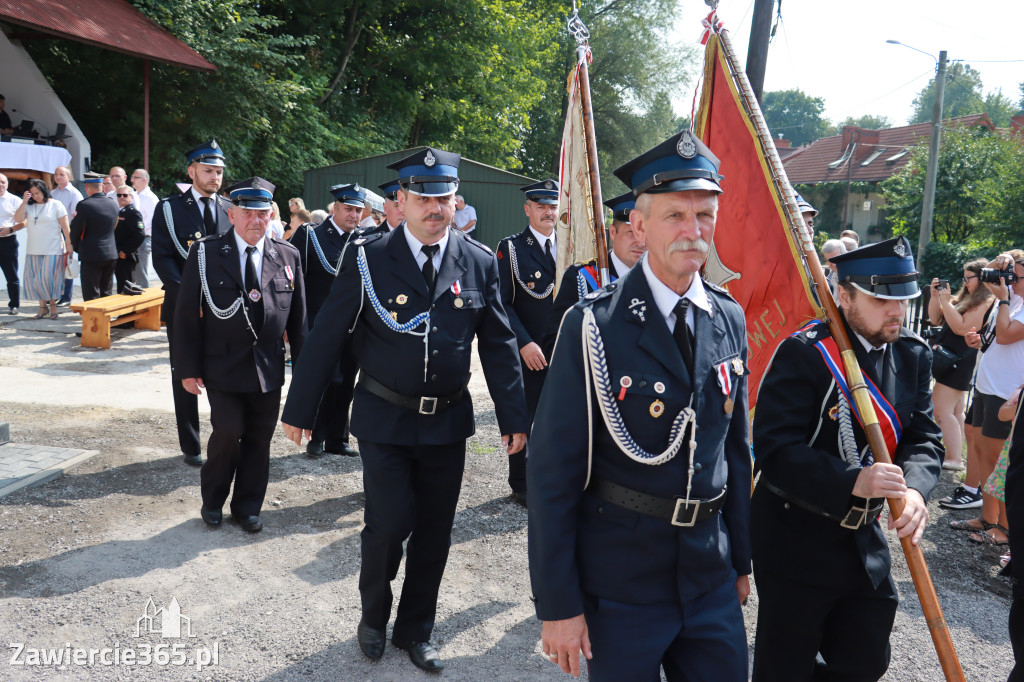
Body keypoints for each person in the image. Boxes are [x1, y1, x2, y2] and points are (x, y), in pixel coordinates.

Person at [280, 147, 528, 673]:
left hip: (447, 420)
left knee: (435, 531)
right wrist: (299, 409)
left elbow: (501, 347)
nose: (438, 208)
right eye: (426, 198)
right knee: (389, 523)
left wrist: (514, 420)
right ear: (402, 199)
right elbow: (325, 336)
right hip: (384, 417)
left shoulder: (478, 261)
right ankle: (374, 615)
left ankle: (416, 629)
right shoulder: (369, 257)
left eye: (445, 198)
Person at [530, 131, 753, 681]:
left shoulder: (729, 317)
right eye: (675, 214)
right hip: (621, 583)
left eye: (705, 214)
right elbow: (552, 474)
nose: (692, 230)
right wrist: (558, 604)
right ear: (639, 226)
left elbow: (737, 451)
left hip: (708, 574)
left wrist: (741, 559)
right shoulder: (592, 325)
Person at [750, 236, 942, 681]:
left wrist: (914, 489)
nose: (896, 311)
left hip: (862, 542)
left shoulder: (912, 353)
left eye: (903, 300)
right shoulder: (805, 352)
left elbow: (924, 438)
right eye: (880, 299)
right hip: (794, 535)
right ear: (843, 294)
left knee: (865, 658)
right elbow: (776, 451)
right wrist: (853, 481)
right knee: (786, 666)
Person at [173, 177, 307, 533]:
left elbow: (299, 322)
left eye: (263, 213)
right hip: (221, 364)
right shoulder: (206, 253)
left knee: (260, 439)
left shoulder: (288, 255)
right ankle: (213, 500)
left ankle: (247, 507)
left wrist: (306, 381)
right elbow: (185, 315)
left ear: (271, 216)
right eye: (247, 213)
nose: (256, 221)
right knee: (228, 431)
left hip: (268, 367)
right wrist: (187, 369)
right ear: (231, 215)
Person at [152, 139, 233, 467]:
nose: (215, 177)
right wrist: (189, 298)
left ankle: (223, 435)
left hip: (222, 307)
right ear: (191, 171)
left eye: (219, 171)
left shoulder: (230, 208)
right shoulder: (169, 209)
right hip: (184, 306)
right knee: (183, 370)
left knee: (222, 370)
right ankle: (191, 443)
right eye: (208, 170)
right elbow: (163, 258)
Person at [949, 250, 1024, 546]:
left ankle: (1004, 528)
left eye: (1015, 277)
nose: (1009, 281)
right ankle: (988, 517)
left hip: (1006, 393)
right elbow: (995, 337)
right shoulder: (1009, 301)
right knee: (980, 454)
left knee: (998, 462)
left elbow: (1006, 336)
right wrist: (1000, 260)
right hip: (986, 386)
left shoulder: (1013, 303)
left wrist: (1003, 298)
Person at [289, 183, 366, 457]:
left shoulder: (364, 241)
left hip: (354, 325)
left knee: (346, 379)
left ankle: (338, 438)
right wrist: (293, 324)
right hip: (318, 323)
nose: (354, 215)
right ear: (335, 209)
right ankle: (316, 437)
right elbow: (293, 281)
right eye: (349, 209)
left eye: (359, 210)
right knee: (324, 379)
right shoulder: (311, 237)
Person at [495, 178, 559, 505]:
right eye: (541, 206)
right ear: (527, 209)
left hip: (565, 349)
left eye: (552, 206)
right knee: (525, 415)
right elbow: (502, 302)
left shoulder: (573, 245)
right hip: (529, 351)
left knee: (562, 416)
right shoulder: (512, 248)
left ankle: (556, 476)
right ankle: (520, 481)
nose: (548, 212)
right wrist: (523, 342)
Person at [540, 191, 646, 358]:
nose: (640, 242)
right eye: (631, 232)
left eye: (645, 233)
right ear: (613, 232)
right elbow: (553, 342)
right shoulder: (582, 278)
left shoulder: (661, 280)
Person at [927, 259, 993, 471]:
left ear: (982, 278)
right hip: (953, 360)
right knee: (955, 411)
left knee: (941, 409)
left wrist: (946, 303)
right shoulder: (967, 299)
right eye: (964, 278)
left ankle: (954, 458)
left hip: (959, 361)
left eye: (969, 278)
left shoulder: (985, 301)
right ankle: (955, 455)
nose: (965, 283)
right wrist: (935, 297)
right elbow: (935, 319)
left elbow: (962, 328)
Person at [12, 178, 71, 319]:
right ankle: (42, 308)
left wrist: (69, 244)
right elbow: (18, 219)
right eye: (32, 193)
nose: (35, 196)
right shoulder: (29, 205)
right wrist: (25, 201)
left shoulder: (56, 204)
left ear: (44, 190)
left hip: (53, 248)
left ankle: (53, 306)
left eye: (37, 193)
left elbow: (65, 227)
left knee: (48, 279)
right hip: (33, 249)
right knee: (35, 280)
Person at [70, 172, 119, 301]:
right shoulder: (113, 203)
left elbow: (75, 230)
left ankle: (93, 321)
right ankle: (105, 320)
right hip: (110, 253)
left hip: (91, 254)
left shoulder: (84, 205)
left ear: (86, 187)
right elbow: (114, 226)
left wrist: (77, 247)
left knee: (91, 293)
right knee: (106, 292)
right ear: (102, 186)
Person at [51, 166, 83, 306]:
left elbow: (76, 217)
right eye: (56, 174)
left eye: (61, 174)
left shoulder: (74, 194)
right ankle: (55, 294)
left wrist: (71, 238)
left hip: (67, 233)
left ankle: (66, 297)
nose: (58, 177)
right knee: (54, 266)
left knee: (67, 265)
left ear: (68, 176)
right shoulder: (52, 193)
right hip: (53, 233)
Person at [113, 185, 146, 294]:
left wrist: (125, 251)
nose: (121, 197)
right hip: (117, 254)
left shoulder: (133, 213)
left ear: (131, 197)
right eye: (119, 195)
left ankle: (129, 312)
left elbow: (140, 235)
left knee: (126, 286)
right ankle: (122, 311)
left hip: (126, 256)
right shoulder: (118, 211)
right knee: (120, 286)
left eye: (125, 195)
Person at [130, 168, 159, 287]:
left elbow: (152, 222)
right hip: (135, 238)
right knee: (133, 274)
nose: (131, 180)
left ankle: (146, 303)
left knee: (141, 273)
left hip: (144, 238)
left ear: (144, 180)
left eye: (134, 177)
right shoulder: (135, 195)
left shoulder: (150, 198)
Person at [0, 173, 23, 314]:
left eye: (3, 182)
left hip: (8, 241)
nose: (1, 184)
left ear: (7, 184)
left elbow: (24, 221)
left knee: (11, 275)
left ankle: (14, 304)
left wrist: (10, 229)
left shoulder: (15, 200)